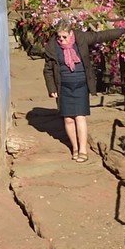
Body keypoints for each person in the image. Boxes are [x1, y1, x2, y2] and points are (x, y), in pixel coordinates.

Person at [44, 18, 96, 161]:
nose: (61, 39)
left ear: (71, 33)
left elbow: (101, 36)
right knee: (68, 119)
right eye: (59, 36)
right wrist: (51, 88)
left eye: (64, 37)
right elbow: (48, 70)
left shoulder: (81, 38)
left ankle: (83, 150)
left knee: (80, 117)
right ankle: (75, 148)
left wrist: (124, 30)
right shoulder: (52, 46)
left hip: (80, 85)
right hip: (64, 87)